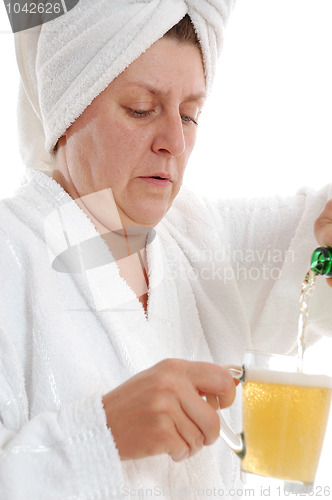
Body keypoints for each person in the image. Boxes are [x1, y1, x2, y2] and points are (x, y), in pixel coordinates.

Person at [0, 1, 331, 498]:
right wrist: (101, 434)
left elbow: (309, 237)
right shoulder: (11, 253)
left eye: (190, 114)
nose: (174, 141)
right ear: (66, 111)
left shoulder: (200, 237)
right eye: (141, 109)